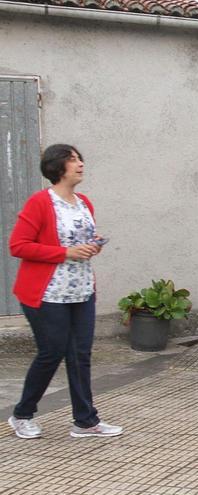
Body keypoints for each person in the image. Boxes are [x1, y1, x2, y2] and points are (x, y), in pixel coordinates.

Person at [7, 144, 123, 439]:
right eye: (72, 160)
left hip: (81, 291)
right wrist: (65, 252)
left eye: (80, 158)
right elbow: (18, 245)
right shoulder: (40, 202)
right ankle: (22, 415)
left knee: (80, 354)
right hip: (46, 294)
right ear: (57, 167)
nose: (80, 163)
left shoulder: (83, 202)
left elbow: (79, 243)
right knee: (52, 352)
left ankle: (85, 421)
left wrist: (91, 245)